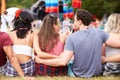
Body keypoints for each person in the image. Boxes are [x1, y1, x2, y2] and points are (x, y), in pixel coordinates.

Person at [35, 9, 120, 78]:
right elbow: (117, 43)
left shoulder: (72, 38)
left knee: (70, 62)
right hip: (96, 73)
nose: (73, 22)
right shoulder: (100, 33)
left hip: (77, 74)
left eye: (74, 20)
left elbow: (62, 62)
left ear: (79, 22)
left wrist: (41, 60)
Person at [0, 13, 34, 80]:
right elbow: (12, 56)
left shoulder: (10, 34)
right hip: (3, 68)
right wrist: (23, 76)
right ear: (1, 23)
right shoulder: (4, 36)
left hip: (10, 69)